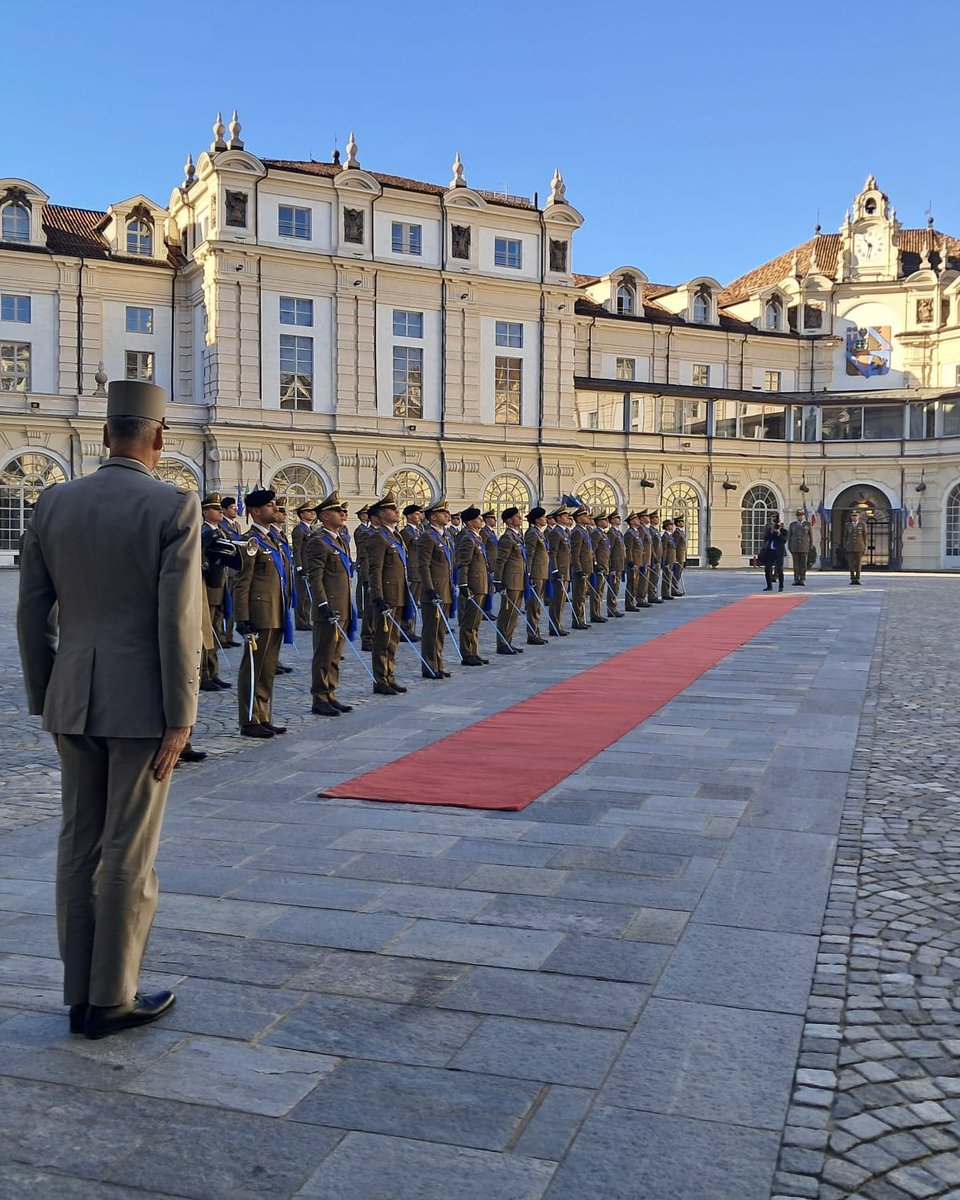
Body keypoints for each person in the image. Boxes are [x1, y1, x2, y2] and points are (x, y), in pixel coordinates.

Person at [17, 380, 202, 1040]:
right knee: (129, 852)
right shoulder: (173, 505)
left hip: (73, 697)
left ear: (103, 436)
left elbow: (32, 613)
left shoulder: (54, 502)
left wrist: (49, 698)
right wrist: (181, 715)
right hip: (142, 703)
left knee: (77, 845)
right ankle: (112, 998)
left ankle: (79, 995)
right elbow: (178, 621)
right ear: (159, 438)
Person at [233, 488, 293, 737]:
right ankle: (249, 720)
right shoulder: (250, 541)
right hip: (259, 613)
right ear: (256, 511)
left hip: (276, 611)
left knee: (267, 669)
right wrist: (242, 618)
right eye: (270, 505)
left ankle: (262, 715)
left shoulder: (273, 539)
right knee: (253, 668)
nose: (275, 508)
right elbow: (241, 582)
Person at [304, 492, 355, 716]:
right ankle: (319, 697)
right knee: (324, 655)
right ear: (325, 516)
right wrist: (323, 604)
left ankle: (330, 693)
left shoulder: (339, 539)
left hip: (342, 607)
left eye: (343, 511)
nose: (343, 514)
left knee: (335, 655)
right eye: (338, 511)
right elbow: (315, 578)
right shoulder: (318, 541)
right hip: (329, 609)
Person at [366, 493, 412, 695]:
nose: (397, 512)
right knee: (382, 640)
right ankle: (380, 679)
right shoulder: (378, 537)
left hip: (399, 594)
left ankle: (389, 676)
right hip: (387, 596)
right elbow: (375, 569)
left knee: (393, 640)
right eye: (393, 509)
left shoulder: (395, 535)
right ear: (382, 514)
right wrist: (378, 596)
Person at [199, 495, 240, 691]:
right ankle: (203, 674)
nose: (220, 511)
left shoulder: (221, 531)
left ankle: (213, 672)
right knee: (205, 633)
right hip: (208, 587)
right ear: (205, 512)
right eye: (216, 509)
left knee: (215, 631)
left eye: (220, 509)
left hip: (220, 585)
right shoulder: (202, 532)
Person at [417, 499, 455, 679]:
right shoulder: (428, 537)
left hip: (445, 589)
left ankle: (438, 664)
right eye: (443, 513)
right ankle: (429, 666)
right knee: (431, 631)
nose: (447, 515)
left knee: (440, 631)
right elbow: (424, 566)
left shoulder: (444, 536)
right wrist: (429, 589)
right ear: (433, 517)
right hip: (434, 591)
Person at [455, 506, 491, 665]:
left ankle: (474, 652)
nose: (481, 520)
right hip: (473, 584)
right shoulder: (468, 539)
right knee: (468, 622)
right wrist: (463, 584)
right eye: (477, 518)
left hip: (480, 583)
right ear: (469, 522)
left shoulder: (477, 538)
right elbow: (463, 564)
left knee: (475, 622)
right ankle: (467, 653)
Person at [494, 506, 528, 654]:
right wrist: (498, 581)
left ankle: (508, 641)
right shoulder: (507, 538)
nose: (520, 518)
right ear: (509, 521)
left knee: (514, 614)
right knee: (507, 613)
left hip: (519, 579)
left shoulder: (518, 536)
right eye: (516, 516)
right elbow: (500, 561)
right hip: (511, 580)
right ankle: (502, 643)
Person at [218, 496, 244, 646]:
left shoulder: (237, 525)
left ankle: (229, 636)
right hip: (226, 569)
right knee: (224, 604)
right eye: (233, 508)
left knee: (232, 604)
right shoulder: (220, 525)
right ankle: (221, 636)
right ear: (225, 510)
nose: (235, 510)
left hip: (235, 569)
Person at [523, 506, 550, 643]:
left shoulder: (539, 533)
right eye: (543, 517)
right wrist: (529, 574)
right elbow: (530, 554)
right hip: (535, 573)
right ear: (537, 519)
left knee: (538, 605)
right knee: (533, 605)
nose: (545, 519)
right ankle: (532, 634)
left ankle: (536, 632)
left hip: (542, 572)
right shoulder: (532, 533)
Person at [400, 504, 424, 642]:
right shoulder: (406, 533)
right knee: (409, 602)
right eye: (416, 514)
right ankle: (405, 629)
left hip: (418, 571)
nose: (420, 516)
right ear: (409, 516)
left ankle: (410, 629)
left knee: (414, 602)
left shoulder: (419, 531)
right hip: (411, 571)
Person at [546, 506, 572, 636]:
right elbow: (553, 552)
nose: (568, 518)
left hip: (565, 570)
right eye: (565, 516)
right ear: (559, 518)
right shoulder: (555, 533)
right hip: (560, 571)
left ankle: (558, 624)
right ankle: (554, 626)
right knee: (557, 600)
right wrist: (555, 569)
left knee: (561, 601)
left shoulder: (564, 532)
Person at [292, 502, 318, 630]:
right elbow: (297, 550)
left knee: (308, 596)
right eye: (308, 511)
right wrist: (299, 567)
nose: (312, 513)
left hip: (309, 566)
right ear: (301, 514)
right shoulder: (299, 529)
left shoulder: (309, 529)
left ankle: (306, 620)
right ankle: (301, 622)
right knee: (302, 596)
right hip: (303, 566)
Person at [353, 504, 375, 652]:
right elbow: (363, 552)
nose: (367, 516)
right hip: (365, 565)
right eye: (365, 514)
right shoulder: (361, 531)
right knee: (363, 590)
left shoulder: (370, 531)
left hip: (371, 567)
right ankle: (360, 608)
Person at [570, 507, 595, 629]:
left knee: (582, 596)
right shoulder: (577, 532)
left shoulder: (584, 531)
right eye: (584, 516)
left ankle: (580, 619)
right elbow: (575, 553)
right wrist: (578, 569)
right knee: (578, 596)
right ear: (579, 519)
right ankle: (577, 620)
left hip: (586, 567)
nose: (587, 518)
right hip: (581, 569)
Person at [787, 508, 813, 586]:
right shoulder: (792, 524)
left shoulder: (807, 524)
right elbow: (789, 536)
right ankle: (796, 579)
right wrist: (789, 546)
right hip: (795, 547)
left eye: (801, 515)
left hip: (804, 547)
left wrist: (810, 546)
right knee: (796, 565)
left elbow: (810, 536)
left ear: (803, 516)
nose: (799, 517)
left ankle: (802, 579)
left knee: (803, 565)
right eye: (798, 515)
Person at [607, 512, 626, 616]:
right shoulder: (611, 533)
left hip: (619, 563)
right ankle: (611, 608)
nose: (619, 519)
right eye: (616, 518)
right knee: (613, 587)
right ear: (612, 520)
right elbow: (609, 550)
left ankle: (613, 607)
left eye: (619, 518)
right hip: (615, 564)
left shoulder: (618, 532)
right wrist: (611, 565)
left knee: (616, 587)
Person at [761, 519, 788, 591]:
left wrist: (779, 533)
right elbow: (765, 538)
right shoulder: (770, 531)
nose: (776, 526)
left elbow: (784, 540)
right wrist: (772, 532)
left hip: (779, 552)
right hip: (770, 552)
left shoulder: (784, 531)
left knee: (779, 569)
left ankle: (781, 586)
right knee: (767, 569)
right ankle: (769, 586)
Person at [844, 511, 868, 584]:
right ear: (851, 517)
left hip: (859, 547)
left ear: (858, 517)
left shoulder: (862, 525)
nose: (854, 517)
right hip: (850, 547)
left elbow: (865, 536)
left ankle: (857, 578)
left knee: (858, 564)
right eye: (853, 516)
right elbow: (845, 537)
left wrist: (865, 546)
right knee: (851, 564)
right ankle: (852, 578)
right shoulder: (847, 525)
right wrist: (845, 546)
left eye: (855, 516)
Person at [661, 519, 677, 600]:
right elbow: (664, 549)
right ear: (666, 526)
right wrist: (665, 560)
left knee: (669, 576)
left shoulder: (670, 536)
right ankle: (665, 593)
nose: (672, 526)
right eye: (670, 525)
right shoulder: (665, 536)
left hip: (671, 559)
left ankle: (668, 592)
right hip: (668, 559)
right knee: (666, 576)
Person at [673, 514, 688, 595]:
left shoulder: (681, 532)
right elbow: (674, 545)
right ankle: (674, 589)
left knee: (678, 574)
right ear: (677, 523)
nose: (683, 523)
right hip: (678, 557)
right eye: (681, 521)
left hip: (682, 556)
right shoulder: (677, 533)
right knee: (676, 574)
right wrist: (675, 557)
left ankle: (675, 588)